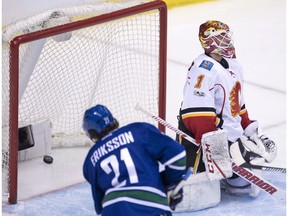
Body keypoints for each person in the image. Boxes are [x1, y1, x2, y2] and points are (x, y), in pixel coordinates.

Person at [176, 20, 277, 206]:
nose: (228, 41)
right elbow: (195, 115)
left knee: (243, 184)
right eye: (222, 37)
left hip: (229, 140)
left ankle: (226, 175)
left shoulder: (233, 66)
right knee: (197, 193)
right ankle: (209, 171)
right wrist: (218, 152)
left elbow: (237, 105)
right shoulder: (202, 69)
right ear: (208, 41)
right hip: (204, 139)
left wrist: (250, 130)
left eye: (227, 36)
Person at [82, 104, 187, 216]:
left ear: (91, 133)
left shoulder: (90, 160)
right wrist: (172, 182)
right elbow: (177, 155)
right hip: (148, 206)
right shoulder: (139, 130)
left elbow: (100, 206)